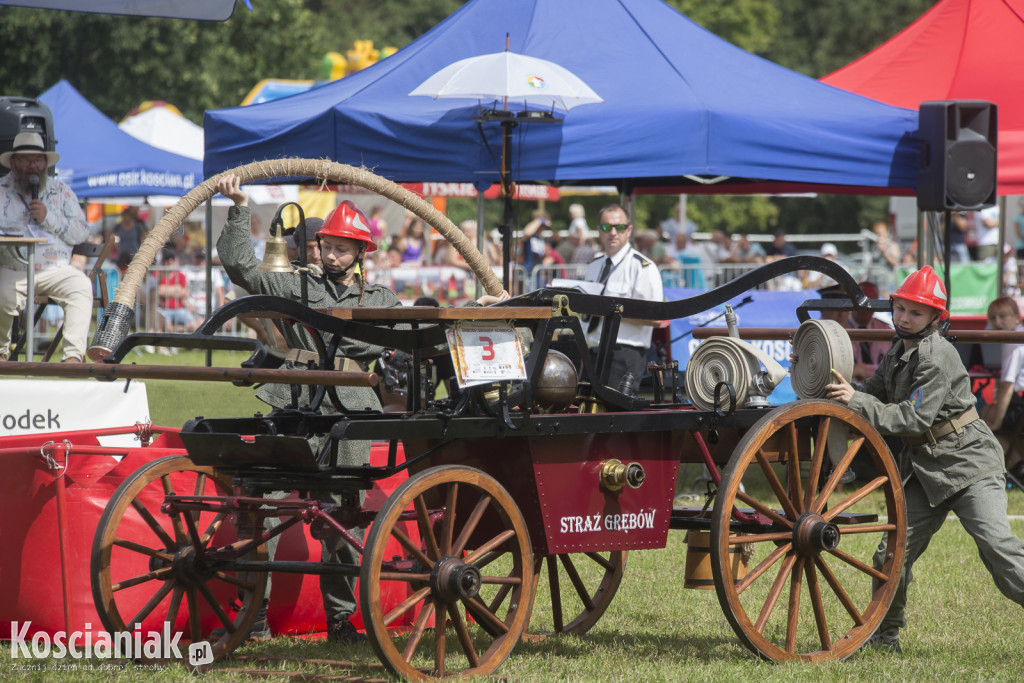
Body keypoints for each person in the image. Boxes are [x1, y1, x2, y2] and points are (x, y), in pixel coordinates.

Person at [214, 173, 507, 643]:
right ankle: (256, 615)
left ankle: (339, 620)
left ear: (360, 254)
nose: (331, 256)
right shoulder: (296, 286)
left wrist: (480, 308)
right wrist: (238, 207)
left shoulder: (380, 300)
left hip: (350, 413)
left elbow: (423, 330)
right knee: (261, 509)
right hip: (294, 404)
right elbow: (242, 268)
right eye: (326, 246)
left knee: (342, 522)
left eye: (342, 249)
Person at [824, 266, 1024, 653]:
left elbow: (911, 418)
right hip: (925, 467)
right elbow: (872, 392)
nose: (904, 317)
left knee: (997, 546)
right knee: (890, 552)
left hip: (970, 465)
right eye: (900, 308)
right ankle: (884, 637)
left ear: (935, 319)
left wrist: (857, 401)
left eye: (916, 313)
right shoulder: (898, 351)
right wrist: (837, 391)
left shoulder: (937, 355)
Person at [0, 132, 92, 362]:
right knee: (2, 294)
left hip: (54, 268)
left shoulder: (61, 191)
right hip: (13, 269)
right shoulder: (1, 191)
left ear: (46, 163)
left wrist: (49, 218)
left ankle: (72, 359)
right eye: (26, 160)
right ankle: (1, 355)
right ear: (13, 162)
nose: (33, 166)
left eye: (38, 160)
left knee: (80, 285)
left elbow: (82, 232)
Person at [584, 204, 664, 389]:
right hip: (592, 352)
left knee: (615, 415)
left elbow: (655, 318)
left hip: (624, 354)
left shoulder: (643, 267)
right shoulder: (593, 266)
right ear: (599, 231)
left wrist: (608, 312)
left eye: (619, 227)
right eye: (606, 227)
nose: (613, 232)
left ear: (629, 230)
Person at [980, 297, 1024, 481]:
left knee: (983, 417)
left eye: (1003, 316)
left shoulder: (1012, 342)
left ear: (1016, 317)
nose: (997, 322)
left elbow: (1007, 386)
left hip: (1020, 403)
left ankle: (1017, 465)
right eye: (993, 318)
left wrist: (996, 421)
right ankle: (1018, 465)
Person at [846, 281, 894, 383]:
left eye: (871, 301)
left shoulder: (886, 331)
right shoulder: (839, 330)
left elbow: (894, 368)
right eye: (862, 301)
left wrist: (865, 369)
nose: (866, 306)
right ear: (852, 300)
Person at [156, 248, 198, 333]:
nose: (170, 261)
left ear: (175, 260)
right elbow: (159, 291)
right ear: (163, 261)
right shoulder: (159, 275)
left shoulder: (181, 275)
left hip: (179, 309)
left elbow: (186, 293)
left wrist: (167, 291)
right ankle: (174, 331)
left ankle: (174, 329)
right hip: (164, 309)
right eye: (167, 259)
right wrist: (177, 289)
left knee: (194, 325)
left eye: (172, 259)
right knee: (164, 324)